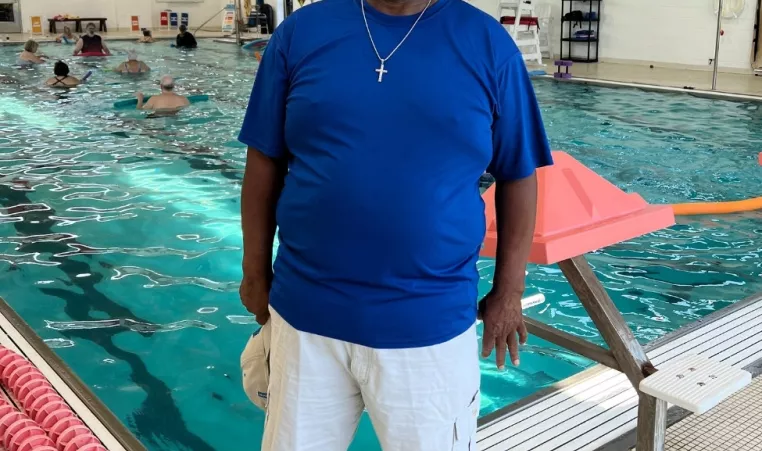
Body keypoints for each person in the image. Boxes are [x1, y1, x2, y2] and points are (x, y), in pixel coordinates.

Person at [237, 0, 553, 448]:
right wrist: (254, 272)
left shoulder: (486, 44)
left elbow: (519, 174)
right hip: (305, 316)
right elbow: (264, 158)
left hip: (430, 325)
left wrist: (509, 292)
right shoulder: (302, 32)